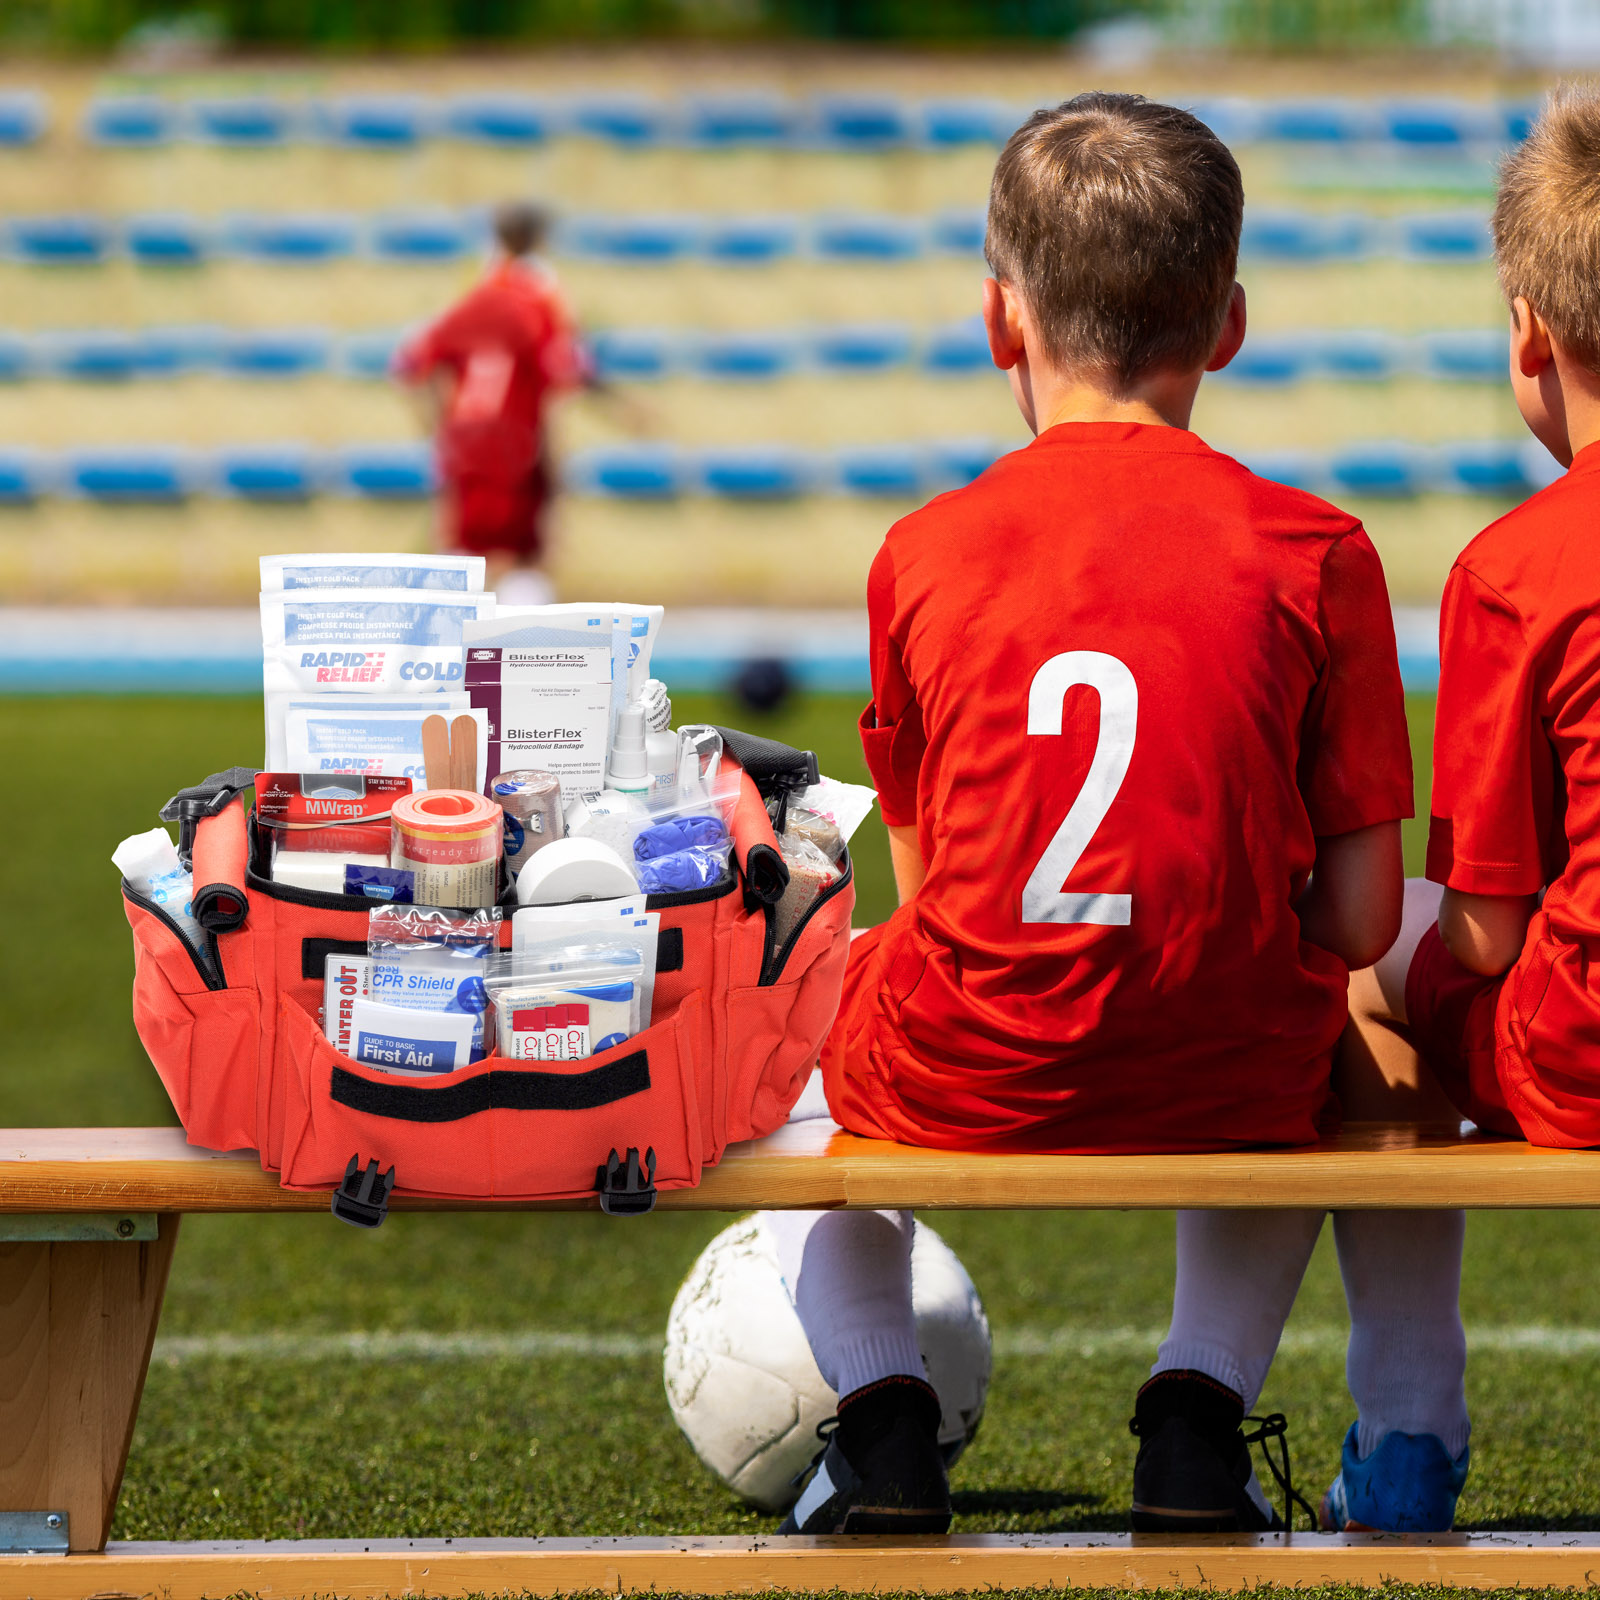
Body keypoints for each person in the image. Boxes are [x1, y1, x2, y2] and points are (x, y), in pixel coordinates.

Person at [764, 92, 1416, 1537]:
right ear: (1228, 323)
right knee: (1303, 1034)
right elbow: (1365, 918)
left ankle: (881, 1425)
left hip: (967, 1069)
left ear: (1000, 319)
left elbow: (930, 886)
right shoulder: (1321, 550)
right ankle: (1195, 1419)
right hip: (1233, 1073)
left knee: (771, 1040)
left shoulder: (921, 551)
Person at [1293, 82, 1600, 1533]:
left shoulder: (1519, 567)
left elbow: (1479, 934)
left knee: (1363, 958)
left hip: (1582, 1055)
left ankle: (1408, 1428)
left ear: (1529, 335)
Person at [395, 201, 590, 605]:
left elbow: (411, 366)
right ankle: (521, 640)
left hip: (466, 445)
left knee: (461, 553)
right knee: (524, 560)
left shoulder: (476, 293)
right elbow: (561, 374)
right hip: (516, 444)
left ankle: (446, 637)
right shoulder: (539, 300)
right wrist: (555, 456)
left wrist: (438, 427)